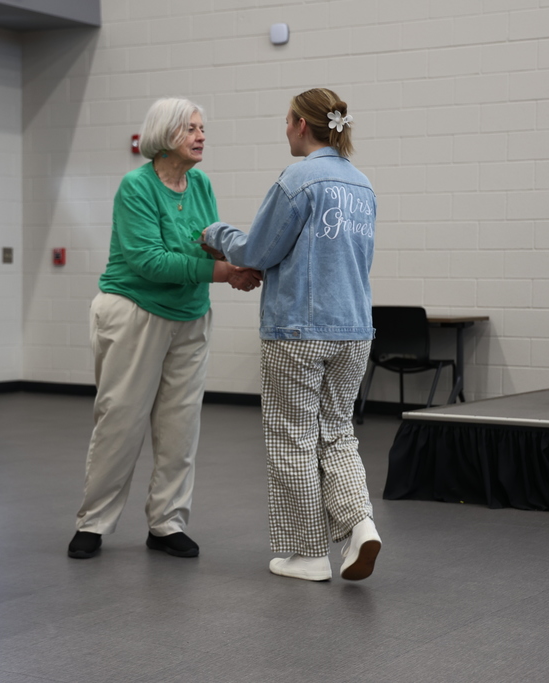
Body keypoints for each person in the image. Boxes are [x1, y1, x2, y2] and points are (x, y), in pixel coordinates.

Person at [68, 97, 262, 560]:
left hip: (190, 315)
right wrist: (224, 273)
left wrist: (238, 261)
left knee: (180, 427)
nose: (201, 136)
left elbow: (209, 240)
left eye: (202, 128)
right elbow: (149, 261)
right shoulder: (136, 187)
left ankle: (167, 522)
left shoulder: (201, 184)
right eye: (190, 128)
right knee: (120, 422)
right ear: (164, 135)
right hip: (135, 310)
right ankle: (93, 522)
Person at [201, 88, 381, 581]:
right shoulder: (362, 185)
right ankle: (361, 525)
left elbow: (257, 252)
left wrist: (215, 233)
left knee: (292, 439)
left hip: (298, 331)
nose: (284, 129)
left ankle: (308, 555)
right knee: (337, 434)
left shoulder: (298, 179)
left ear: (303, 124)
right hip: (354, 330)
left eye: (287, 121)